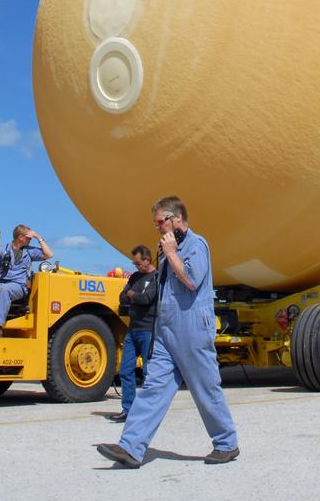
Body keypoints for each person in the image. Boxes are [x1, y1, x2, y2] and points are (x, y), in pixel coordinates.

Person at [97, 196, 239, 468]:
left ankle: (226, 443)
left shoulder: (197, 245)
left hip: (192, 328)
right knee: (152, 387)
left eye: (160, 222)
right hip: (166, 330)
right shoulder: (167, 252)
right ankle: (131, 447)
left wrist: (172, 253)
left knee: (205, 388)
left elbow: (191, 280)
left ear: (175, 219)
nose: (157, 228)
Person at [108, 245, 159, 423]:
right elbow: (122, 296)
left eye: (138, 263)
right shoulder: (136, 277)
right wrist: (133, 294)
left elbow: (147, 299)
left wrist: (132, 295)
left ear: (147, 260)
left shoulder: (156, 278)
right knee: (126, 370)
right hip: (133, 329)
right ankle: (128, 409)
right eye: (134, 263)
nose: (136, 266)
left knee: (147, 372)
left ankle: (147, 412)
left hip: (148, 330)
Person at [0, 224, 52, 336]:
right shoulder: (3, 250)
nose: (30, 240)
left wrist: (38, 237)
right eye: (29, 238)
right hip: (0, 282)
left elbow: (49, 254)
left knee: (5, 290)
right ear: (21, 237)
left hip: (18, 286)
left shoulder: (29, 252)